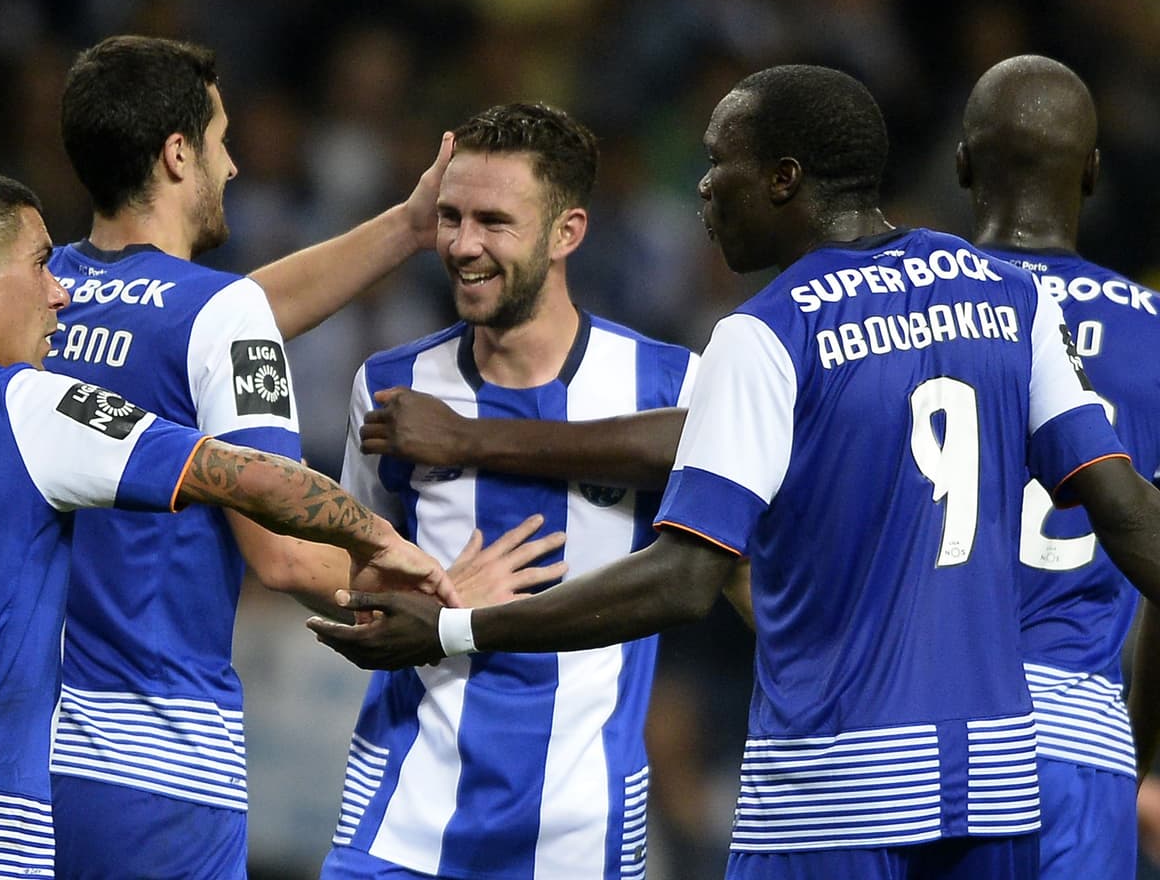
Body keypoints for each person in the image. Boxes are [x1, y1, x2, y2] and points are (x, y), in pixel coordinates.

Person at [311, 65, 1160, 880]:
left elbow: (686, 578)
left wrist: (456, 630)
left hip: (833, 784)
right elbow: (1125, 512)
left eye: (721, 164)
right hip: (994, 784)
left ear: (784, 179)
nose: (705, 188)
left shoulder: (765, 333)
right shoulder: (1010, 298)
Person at [43, 35, 563, 879]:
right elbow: (283, 554)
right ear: (178, 155)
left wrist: (404, 227)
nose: (235, 165)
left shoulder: (39, 301)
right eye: (218, 140)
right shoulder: (213, 317)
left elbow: (219, 321)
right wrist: (433, 589)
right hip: (160, 760)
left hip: (29, 754)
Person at [0, 169, 454, 877]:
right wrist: (381, 537)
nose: (61, 291)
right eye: (39, 266)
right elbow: (252, 476)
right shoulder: (26, 405)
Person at [318, 102, 699, 880]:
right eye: (451, 217)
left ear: (568, 233)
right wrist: (443, 592)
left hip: (578, 832)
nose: (462, 246)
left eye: (494, 221)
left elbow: (719, 570)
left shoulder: (665, 385)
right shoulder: (392, 387)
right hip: (401, 820)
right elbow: (338, 583)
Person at [956, 54, 1160, 878]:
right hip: (1078, 740)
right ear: (1095, 172)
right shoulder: (1155, 334)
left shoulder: (897, 314)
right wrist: (1140, 751)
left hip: (913, 724)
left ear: (963, 164)